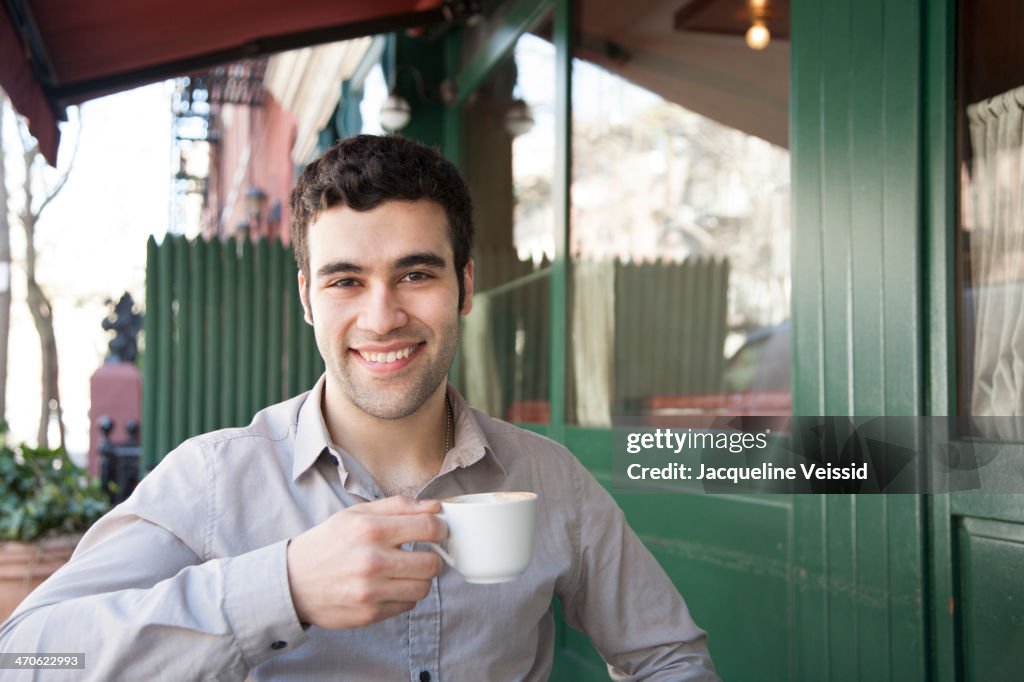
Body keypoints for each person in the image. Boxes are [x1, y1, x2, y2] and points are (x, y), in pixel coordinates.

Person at [0, 135, 718, 680]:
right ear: (308, 298)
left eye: (415, 273)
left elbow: (669, 656)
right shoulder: (216, 480)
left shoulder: (549, 479)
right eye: (346, 280)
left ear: (464, 287)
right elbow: (30, 657)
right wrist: (281, 589)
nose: (382, 317)